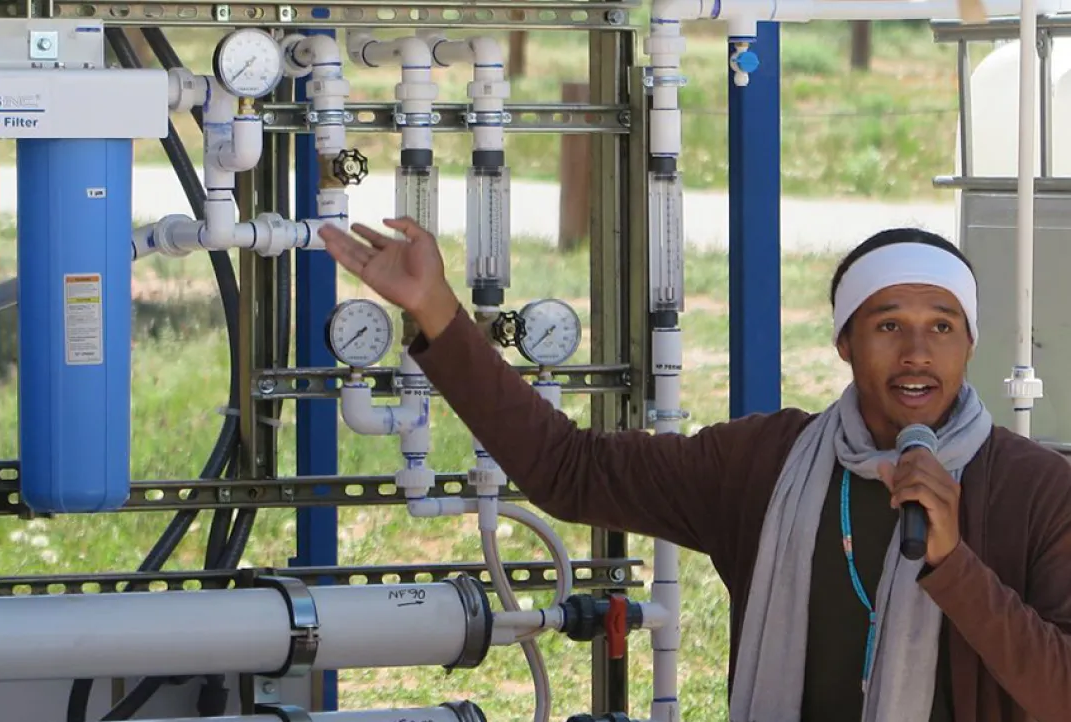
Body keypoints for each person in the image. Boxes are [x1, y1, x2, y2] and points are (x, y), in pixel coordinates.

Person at [320, 217, 1071, 722]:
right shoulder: (764, 464)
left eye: (942, 327)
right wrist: (441, 314)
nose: (916, 353)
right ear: (844, 344)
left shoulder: (1037, 491)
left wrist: (953, 562)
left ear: (970, 344)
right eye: (887, 326)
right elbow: (567, 470)